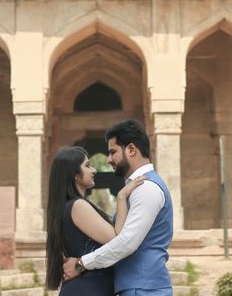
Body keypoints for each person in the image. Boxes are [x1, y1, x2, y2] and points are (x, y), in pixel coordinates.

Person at [63, 120, 174, 296]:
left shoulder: (147, 188)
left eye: (113, 152)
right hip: (137, 286)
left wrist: (81, 263)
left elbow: (127, 243)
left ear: (131, 149)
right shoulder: (136, 188)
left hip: (144, 289)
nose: (108, 160)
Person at [46, 145, 147, 294]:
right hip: (88, 288)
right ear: (74, 174)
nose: (94, 170)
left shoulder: (70, 206)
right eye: (87, 166)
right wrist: (121, 197)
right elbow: (117, 239)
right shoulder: (78, 206)